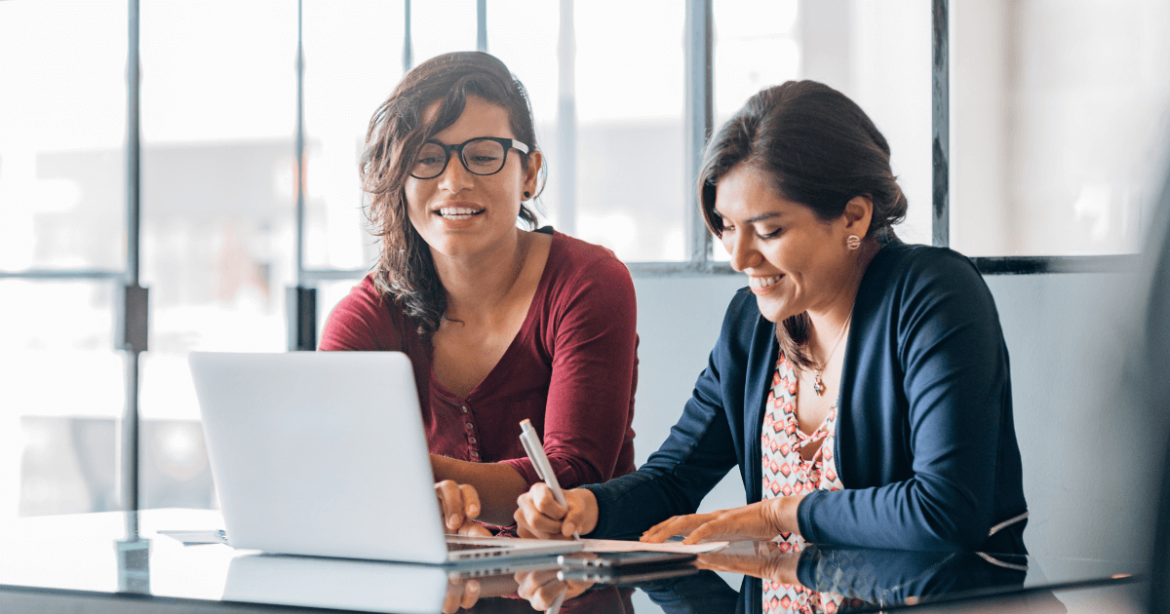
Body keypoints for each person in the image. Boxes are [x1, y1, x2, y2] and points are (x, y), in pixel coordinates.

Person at [514, 80, 1029, 555]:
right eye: (728, 227)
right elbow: (675, 479)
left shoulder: (932, 295)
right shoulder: (752, 323)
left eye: (768, 231)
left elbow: (945, 511)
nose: (739, 258)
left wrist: (781, 513)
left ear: (854, 216)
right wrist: (590, 507)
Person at [319, 52, 638, 534]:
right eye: (426, 158)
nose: (454, 182)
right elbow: (328, 463)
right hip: (439, 592)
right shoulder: (368, 314)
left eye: (484, 155)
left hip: (579, 586)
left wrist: (410, 484)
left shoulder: (588, 282)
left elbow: (570, 475)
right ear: (399, 180)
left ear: (529, 174)